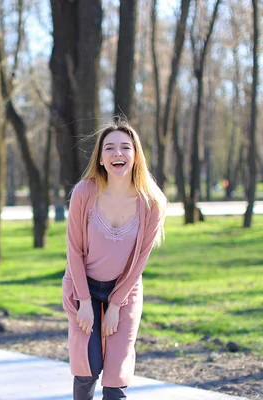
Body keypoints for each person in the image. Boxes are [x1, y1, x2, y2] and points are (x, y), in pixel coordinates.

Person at [62, 120, 167, 400]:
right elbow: (74, 250)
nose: (117, 153)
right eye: (109, 148)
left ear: (135, 155)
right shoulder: (84, 192)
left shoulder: (151, 203)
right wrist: (84, 302)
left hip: (125, 292)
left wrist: (116, 305)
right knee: (87, 366)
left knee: (116, 375)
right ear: (100, 157)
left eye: (125, 147)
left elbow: (140, 261)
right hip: (83, 288)